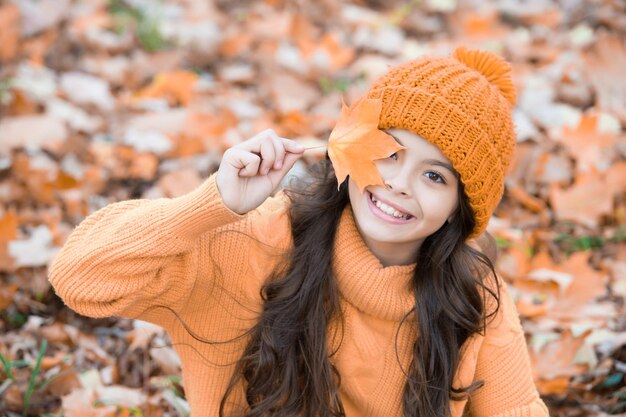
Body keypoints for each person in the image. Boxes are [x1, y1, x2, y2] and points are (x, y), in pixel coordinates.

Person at [48, 46, 550, 417]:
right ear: (349, 144)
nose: (398, 183)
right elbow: (82, 277)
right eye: (389, 151)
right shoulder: (258, 243)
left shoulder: (473, 299)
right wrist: (212, 206)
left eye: (434, 175)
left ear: (461, 209)